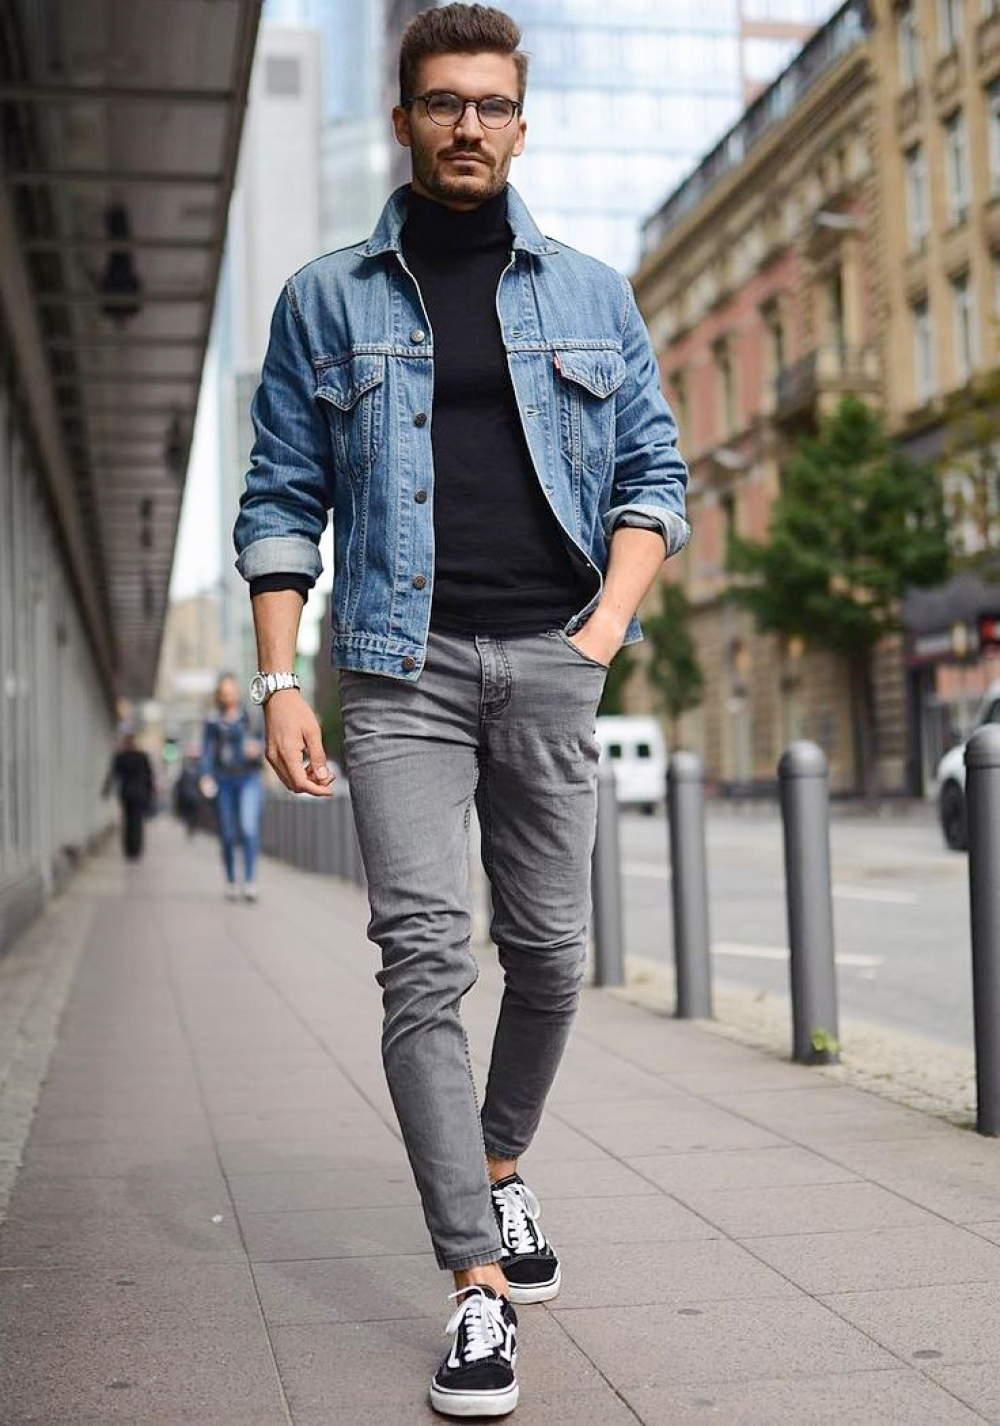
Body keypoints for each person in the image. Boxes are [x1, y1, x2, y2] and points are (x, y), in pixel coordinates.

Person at [233, 5, 689, 1416]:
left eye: (492, 104)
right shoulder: (326, 297)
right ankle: (476, 1283)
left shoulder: (595, 293)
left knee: (552, 956)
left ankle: (500, 1161)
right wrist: (276, 679)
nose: (469, 126)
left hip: (552, 657)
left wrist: (603, 626)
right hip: (395, 666)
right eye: (444, 104)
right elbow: (278, 501)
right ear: (407, 121)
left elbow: (655, 477)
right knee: (422, 957)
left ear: (522, 120)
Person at [199, 674, 264, 901]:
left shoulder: (251, 717)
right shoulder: (212, 720)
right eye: (224, 693)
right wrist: (205, 775)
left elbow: (266, 741)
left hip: (248, 778)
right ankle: (229, 880)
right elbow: (206, 750)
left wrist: (257, 748)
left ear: (237, 692)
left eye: (231, 692)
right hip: (223, 779)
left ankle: (249, 881)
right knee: (227, 833)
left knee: (248, 828)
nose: (228, 697)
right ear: (219, 695)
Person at [102, 728, 154, 861]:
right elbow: (149, 777)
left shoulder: (121, 756)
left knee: (127, 821)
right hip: (140, 793)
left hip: (126, 793)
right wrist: (150, 794)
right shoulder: (142, 756)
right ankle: (136, 850)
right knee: (137, 822)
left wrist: (106, 789)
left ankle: (129, 850)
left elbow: (113, 775)